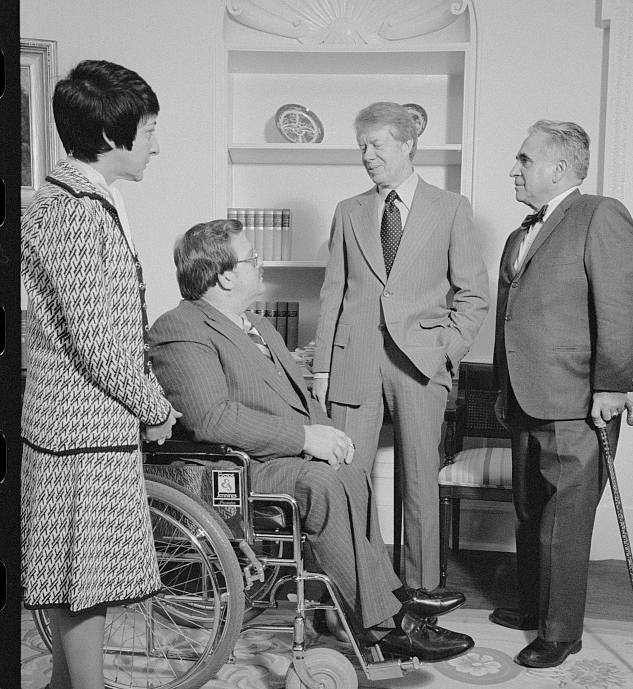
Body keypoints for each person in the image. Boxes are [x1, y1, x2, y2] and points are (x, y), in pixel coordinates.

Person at [148, 219, 476, 663]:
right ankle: (383, 626)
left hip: (272, 456)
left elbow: (300, 398)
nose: (259, 264)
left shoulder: (258, 327)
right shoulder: (180, 327)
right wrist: (306, 439)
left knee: (349, 470)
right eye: (251, 259)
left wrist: (329, 435)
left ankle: (390, 597)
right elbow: (212, 418)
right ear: (225, 275)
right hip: (232, 468)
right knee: (320, 484)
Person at [21, 60, 180, 689]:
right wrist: (156, 407)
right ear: (113, 134)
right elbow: (99, 342)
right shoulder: (78, 215)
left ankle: (63, 687)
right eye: (148, 131)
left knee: (74, 572)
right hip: (84, 428)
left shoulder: (65, 199)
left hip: (68, 422)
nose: (156, 145)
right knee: (87, 583)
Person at [312, 102, 489, 600]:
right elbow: (333, 294)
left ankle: (422, 587)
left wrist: (445, 353)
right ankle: (355, 586)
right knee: (347, 481)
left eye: (378, 146)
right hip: (354, 362)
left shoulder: (451, 208)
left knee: (420, 483)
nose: (367, 156)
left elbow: (473, 294)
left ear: (409, 145)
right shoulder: (348, 211)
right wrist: (322, 371)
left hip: (421, 366)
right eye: (361, 147)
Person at [492, 120, 633, 668]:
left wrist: (611, 385)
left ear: (558, 169)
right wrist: (501, 388)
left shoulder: (601, 215)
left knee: (566, 520)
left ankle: (560, 632)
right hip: (524, 396)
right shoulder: (518, 235)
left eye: (524, 159)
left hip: (579, 400)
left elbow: (621, 306)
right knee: (530, 510)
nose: (514, 168)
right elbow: (510, 320)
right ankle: (533, 608)